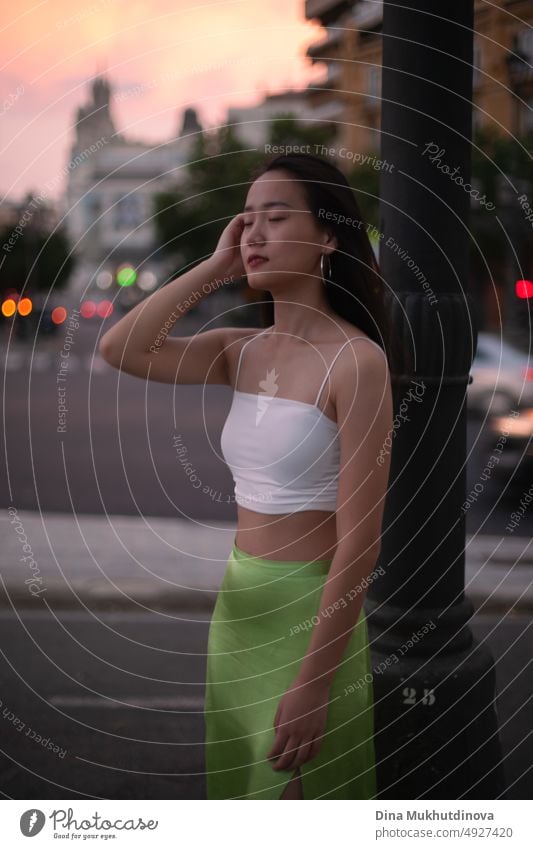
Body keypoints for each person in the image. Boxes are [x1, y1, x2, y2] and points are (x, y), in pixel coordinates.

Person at [99, 152, 394, 800]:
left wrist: (315, 683)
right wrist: (213, 268)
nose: (254, 233)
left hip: (310, 620)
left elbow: (359, 542)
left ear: (327, 236)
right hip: (238, 613)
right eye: (247, 219)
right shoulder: (240, 349)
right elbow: (120, 348)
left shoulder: (356, 362)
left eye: (276, 216)